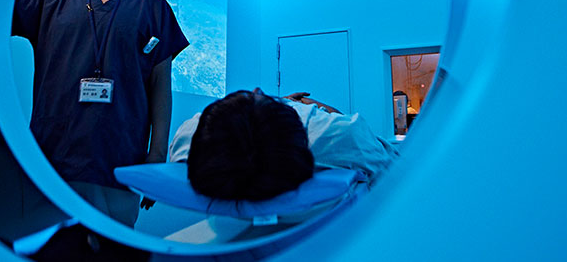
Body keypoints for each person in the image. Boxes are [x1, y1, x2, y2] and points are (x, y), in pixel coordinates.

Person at [13, 0, 189, 227]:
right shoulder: (47, 2)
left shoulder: (152, 7)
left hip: (120, 165)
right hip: (50, 164)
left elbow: (160, 86)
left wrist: (157, 156)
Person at [170, 88, 399, 201]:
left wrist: (279, 105)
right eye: (259, 97)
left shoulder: (189, 136)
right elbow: (388, 162)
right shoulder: (340, 133)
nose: (258, 89)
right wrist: (320, 107)